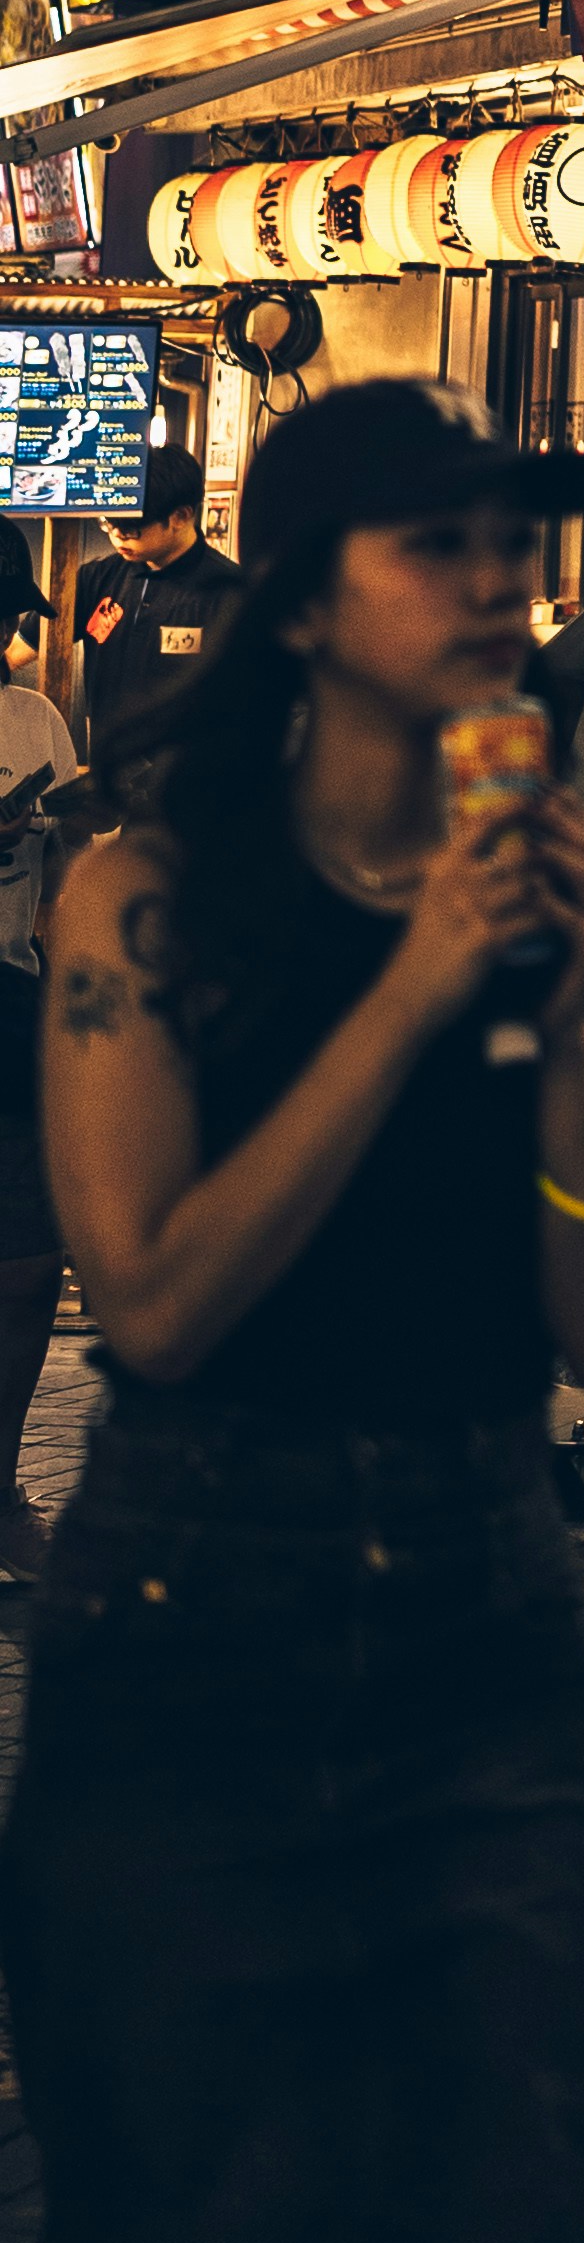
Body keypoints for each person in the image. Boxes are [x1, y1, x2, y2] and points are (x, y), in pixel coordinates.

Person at [4, 377, 584, 2243]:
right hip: (194, 1624)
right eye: (439, 551)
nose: (501, 595)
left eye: (516, 551)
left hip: (486, 1635)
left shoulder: (579, 894)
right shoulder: (143, 896)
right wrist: (413, 993)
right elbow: (161, 1303)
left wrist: (572, 1022)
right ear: (302, 604)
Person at [0, 598, 81, 1580]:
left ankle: (2, 1488)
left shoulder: (36, 723)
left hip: (13, 1004)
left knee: (25, 1269)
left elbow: (65, 875)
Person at [67, 441, 216, 785]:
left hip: (186, 787)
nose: (118, 537)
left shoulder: (224, 593)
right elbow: (21, 649)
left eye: (132, 528)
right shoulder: (97, 577)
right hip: (104, 777)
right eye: (110, 524)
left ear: (180, 516)